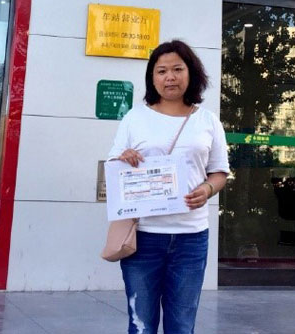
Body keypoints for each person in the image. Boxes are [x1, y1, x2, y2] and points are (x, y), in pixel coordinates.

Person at [108, 40, 229, 334]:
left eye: (177, 69)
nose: (169, 77)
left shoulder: (208, 121)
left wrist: (208, 190)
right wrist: (124, 159)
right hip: (144, 237)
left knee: (182, 325)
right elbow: (113, 165)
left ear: (192, 73)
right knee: (141, 324)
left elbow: (219, 172)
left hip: (191, 237)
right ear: (152, 76)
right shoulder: (134, 117)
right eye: (161, 71)